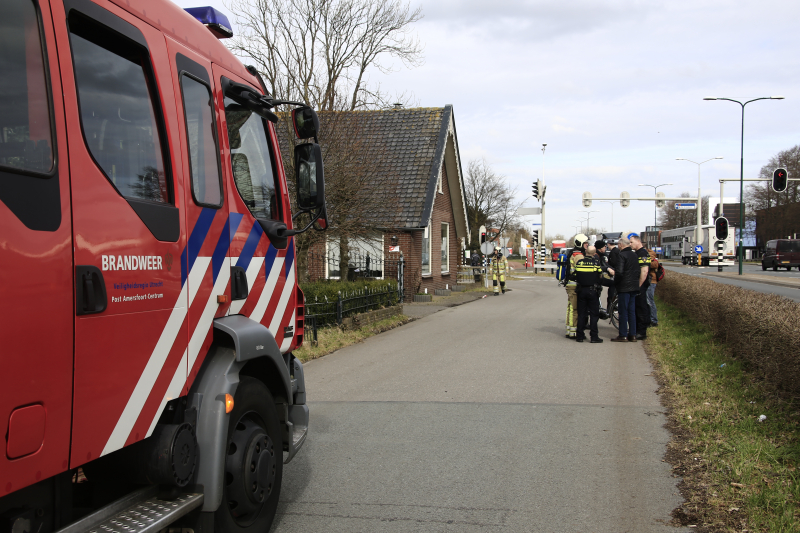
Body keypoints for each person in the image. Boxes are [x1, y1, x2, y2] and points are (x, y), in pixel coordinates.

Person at [611, 237, 640, 342]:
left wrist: (616, 283)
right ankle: (633, 335)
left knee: (623, 311)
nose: (618, 246)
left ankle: (623, 334)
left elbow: (619, 272)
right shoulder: (635, 255)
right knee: (631, 311)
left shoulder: (621, 255)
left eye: (618, 244)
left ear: (621, 245)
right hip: (634, 286)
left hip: (624, 287)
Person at [574, 246, 604, 343]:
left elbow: (575, 274)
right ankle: (594, 337)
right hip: (592, 291)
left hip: (581, 290)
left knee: (581, 314)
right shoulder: (596, 263)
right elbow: (600, 276)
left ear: (586, 252)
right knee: (594, 314)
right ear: (595, 253)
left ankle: (580, 336)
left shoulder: (579, 263)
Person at [565, 234, 589, 338]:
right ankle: (573, 331)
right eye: (585, 243)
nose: (587, 245)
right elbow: (581, 270)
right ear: (580, 244)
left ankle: (569, 329)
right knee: (575, 309)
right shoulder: (578, 255)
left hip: (571, 284)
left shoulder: (573, 253)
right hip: (574, 285)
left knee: (570, 308)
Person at [629, 234, 652, 340]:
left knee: (641, 307)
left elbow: (644, 271)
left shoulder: (642, 253)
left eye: (631, 242)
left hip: (640, 285)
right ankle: (638, 329)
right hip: (638, 284)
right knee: (637, 307)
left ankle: (642, 332)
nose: (630, 244)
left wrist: (639, 285)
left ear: (638, 241)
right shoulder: (638, 253)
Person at [647, 248, 659, 326]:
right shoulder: (648, 254)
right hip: (650, 280)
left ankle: (653, 320)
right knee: (648, 300)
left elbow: (655, 265)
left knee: (650, 300)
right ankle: (651, 319)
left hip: (651, 281)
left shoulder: (649, 254)